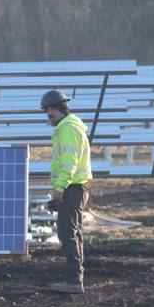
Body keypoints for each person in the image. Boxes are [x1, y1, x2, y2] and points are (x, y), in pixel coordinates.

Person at [41, 90, 92, 294]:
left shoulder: (68, 129)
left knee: (68, 233)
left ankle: (73, 281)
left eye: (49, 109)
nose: (47, 114)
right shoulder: (68, 127)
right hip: (75, 188)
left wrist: (59, 189)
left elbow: (69, 163)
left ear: (58, 108)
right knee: (73, 233)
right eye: (46, 110)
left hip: (72, 188)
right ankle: (74, 279)